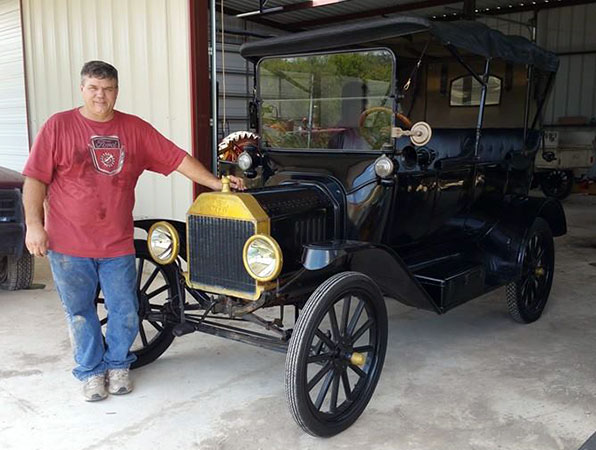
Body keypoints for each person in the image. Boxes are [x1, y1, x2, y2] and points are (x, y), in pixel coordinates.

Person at [22, 60, 244, 402]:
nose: (100, 95)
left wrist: (215, 183)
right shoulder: (58, 126)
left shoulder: (134, 129)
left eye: (108, 89)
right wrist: (34, 225)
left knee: (125, 309)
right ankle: (91, 372)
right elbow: (35, 179)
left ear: (117, 92)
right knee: (79, 312)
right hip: (67, 244)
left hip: (117, 242)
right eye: (93, 88)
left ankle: (118, 365)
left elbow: (177, 158)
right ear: (82, 89)